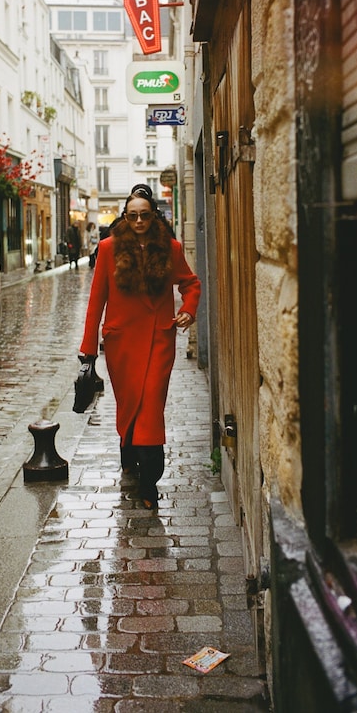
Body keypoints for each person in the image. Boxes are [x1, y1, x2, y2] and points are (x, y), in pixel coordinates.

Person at [79, 186, 201, 509]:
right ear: (125, 217)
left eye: (144, 215)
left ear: (153, 216)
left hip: (159, 339)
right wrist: (87, 350)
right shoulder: (108, 249)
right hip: (122, 344)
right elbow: (96, 301)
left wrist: (189, 309)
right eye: (132, 215)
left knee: (150, 406)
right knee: (130, 403)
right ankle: (128, 450)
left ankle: (149, 482)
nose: (138, 221)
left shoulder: (170, 249)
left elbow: (191, 283)